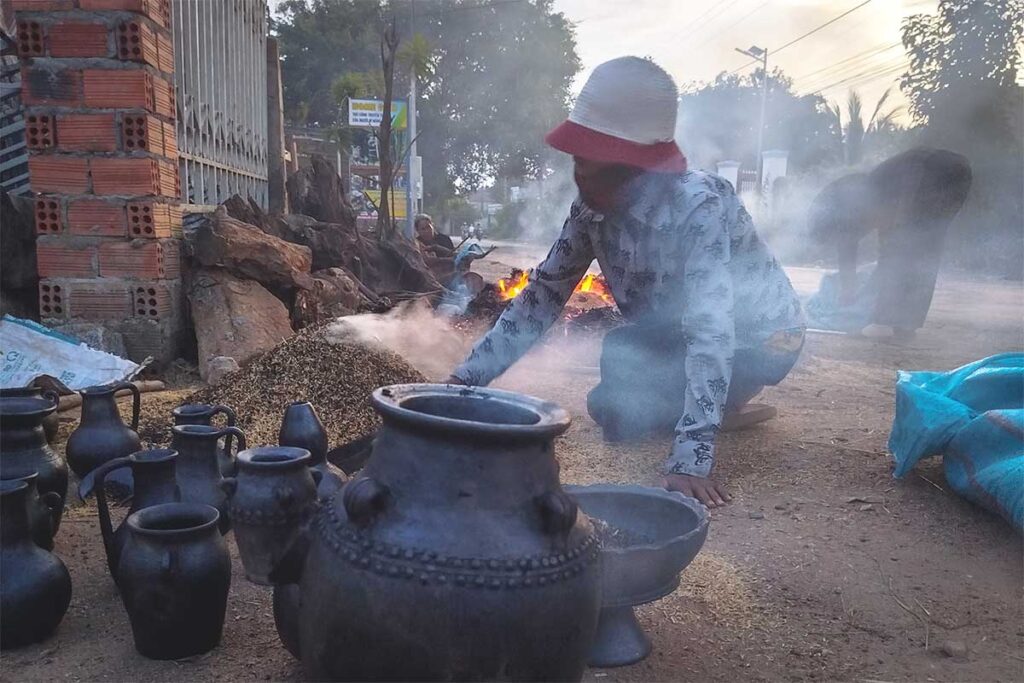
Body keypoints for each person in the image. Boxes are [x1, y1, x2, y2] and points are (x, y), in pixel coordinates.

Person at [446, 57, 805, 508]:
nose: (579, 177)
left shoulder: (700, 206)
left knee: (652, 399)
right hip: (673, 329)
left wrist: (691, 459)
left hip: (761, 339)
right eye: (577, 161)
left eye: (592, 166)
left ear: (637, 168)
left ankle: (731, 397)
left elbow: (712, 330)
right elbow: (539, 300)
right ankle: (705, 402)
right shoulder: (589, 208)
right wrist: (461, 385)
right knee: (614, 407)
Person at [808, 148, 972, 338]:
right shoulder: (866, 191)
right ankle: (907, 324)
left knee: (899, 245)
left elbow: (852, 254)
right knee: (927, 247)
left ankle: (883, 323)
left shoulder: (851, 213)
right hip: (961, 173)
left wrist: (848, 293)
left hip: (926, 171)